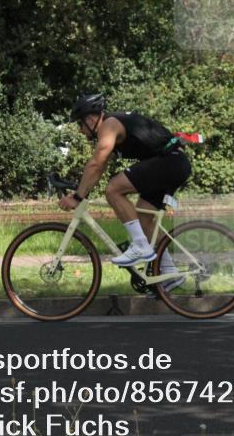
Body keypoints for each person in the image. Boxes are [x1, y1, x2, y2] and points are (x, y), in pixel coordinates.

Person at [59, 93, 190, 292]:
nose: (80, 129)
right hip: (172, 163)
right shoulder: (113, 126)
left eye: (81, 123)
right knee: (143, 219)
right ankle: (171, 274)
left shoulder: (109, 125)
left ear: (92, 119)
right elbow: (98, 167)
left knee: (113, 189)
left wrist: (78, 197)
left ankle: (140, 247)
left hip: (170, 163)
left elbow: (96, 162)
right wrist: (81, 191)